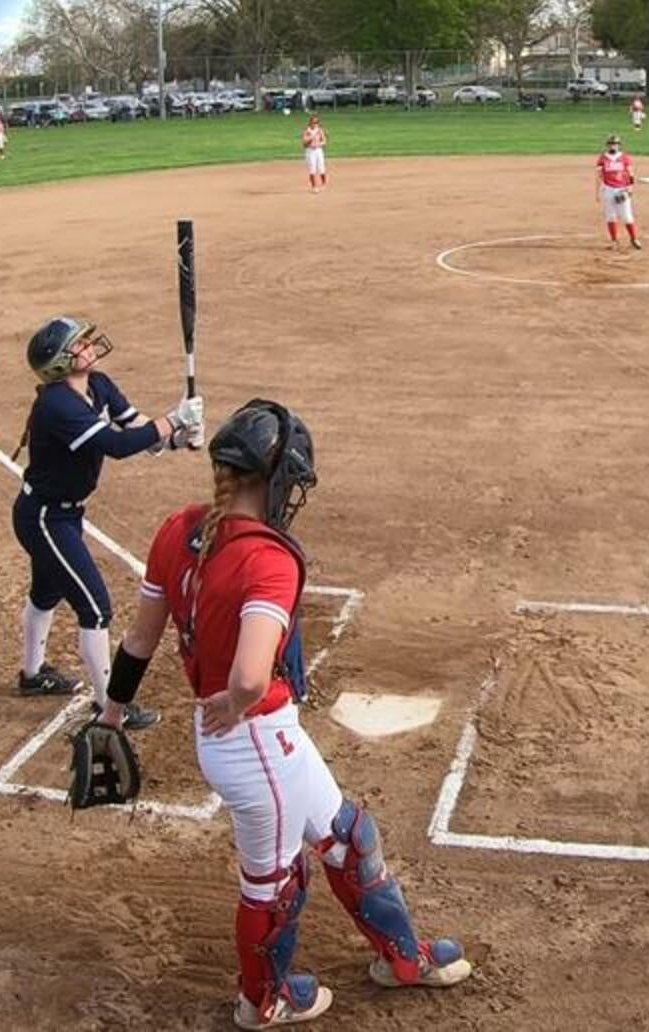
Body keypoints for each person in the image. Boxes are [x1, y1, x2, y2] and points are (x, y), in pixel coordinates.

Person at [104, 400, 473, 1028]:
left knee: (349, 838)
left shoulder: (177, 530)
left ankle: (404, 960)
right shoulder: (269, 558)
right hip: (252, 744)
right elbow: (250, 676)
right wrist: (238, 699)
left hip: (255, 740)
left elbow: (139, 640)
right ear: (273, 482)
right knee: (274, 884)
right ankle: (263, 1001)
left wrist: (111, 716)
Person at [10, 316, 204, 730]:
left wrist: (176, 438)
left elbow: (138, 430)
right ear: (60, 363)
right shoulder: (58, 405)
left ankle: (32, 675)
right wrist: (174, 419)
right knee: (95, 607)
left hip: (64, 515)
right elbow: (116, 445)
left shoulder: (98, 385)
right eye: (79, 344)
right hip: (44, 517)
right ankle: (108, 706)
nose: (89, 345)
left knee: (46, 592)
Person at [595, 133, 641, 251]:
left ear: (619, 145)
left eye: (615, 144)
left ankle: (634, 239)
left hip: (622, 189)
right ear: (607, 145)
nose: (613, 146)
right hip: (608, 189)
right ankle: (614, 241)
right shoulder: (602, 158)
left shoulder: (624, 158)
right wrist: (597, 192)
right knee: (611, 216)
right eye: (611, 144)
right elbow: (599, 176)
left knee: (627, 216)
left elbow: (631, 174)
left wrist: (630, 189)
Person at [300, 114, 327, 193]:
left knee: (322, 168)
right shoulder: (307, 130)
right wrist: (310, 138)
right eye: (313, 122)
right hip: (310, 151)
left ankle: (323, 184)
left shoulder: (320, 130)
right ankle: (314, 187)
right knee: (312, 169)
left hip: (319, 150)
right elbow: (304, 143)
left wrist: (319, 144)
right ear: (310, 122)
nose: (315, 124)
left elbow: (324, 141)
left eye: (316, 122)